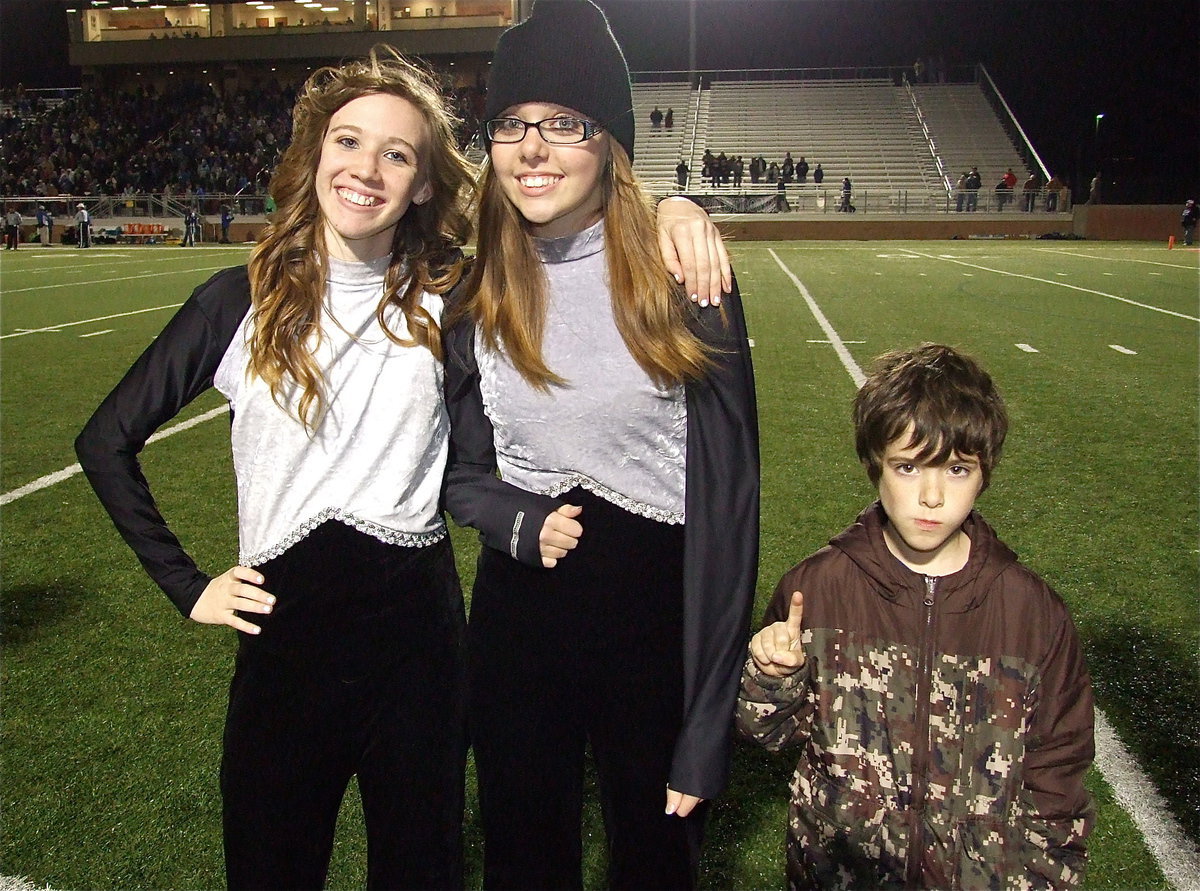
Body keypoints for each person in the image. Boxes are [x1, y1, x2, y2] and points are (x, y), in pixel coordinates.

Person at [73, 39, 735, 891]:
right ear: (314, 152)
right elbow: (104, 441)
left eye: (397, 152)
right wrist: (186, 582)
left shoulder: (450, 298)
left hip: (421, 652)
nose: (366, 168)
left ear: (424, 182)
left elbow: (474, 461)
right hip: (284, 649)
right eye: (346, 141)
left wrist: (675, 202)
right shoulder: (234, 300)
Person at [442, 2, 758, 888]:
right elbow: (460, 472)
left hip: (652, 621)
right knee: (523, 858)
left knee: (654, 863)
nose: (533, 147)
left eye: (564, 123)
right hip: (516, 621)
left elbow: (730, 507)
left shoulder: (685, 282)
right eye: (511, 123)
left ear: (609, 143)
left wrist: (705, 722)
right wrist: (514, 515)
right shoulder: (473, 298)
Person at [737, 343, 1095, 889]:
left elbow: (1059, 768)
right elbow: (766, 734)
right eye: (908, 467)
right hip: (841, 873)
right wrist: (771, 678)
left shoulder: (1032, 613)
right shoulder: (818, 589)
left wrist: (1040, 875)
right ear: (874, 466)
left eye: (956, 469)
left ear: (985, 473)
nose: (931, 496)